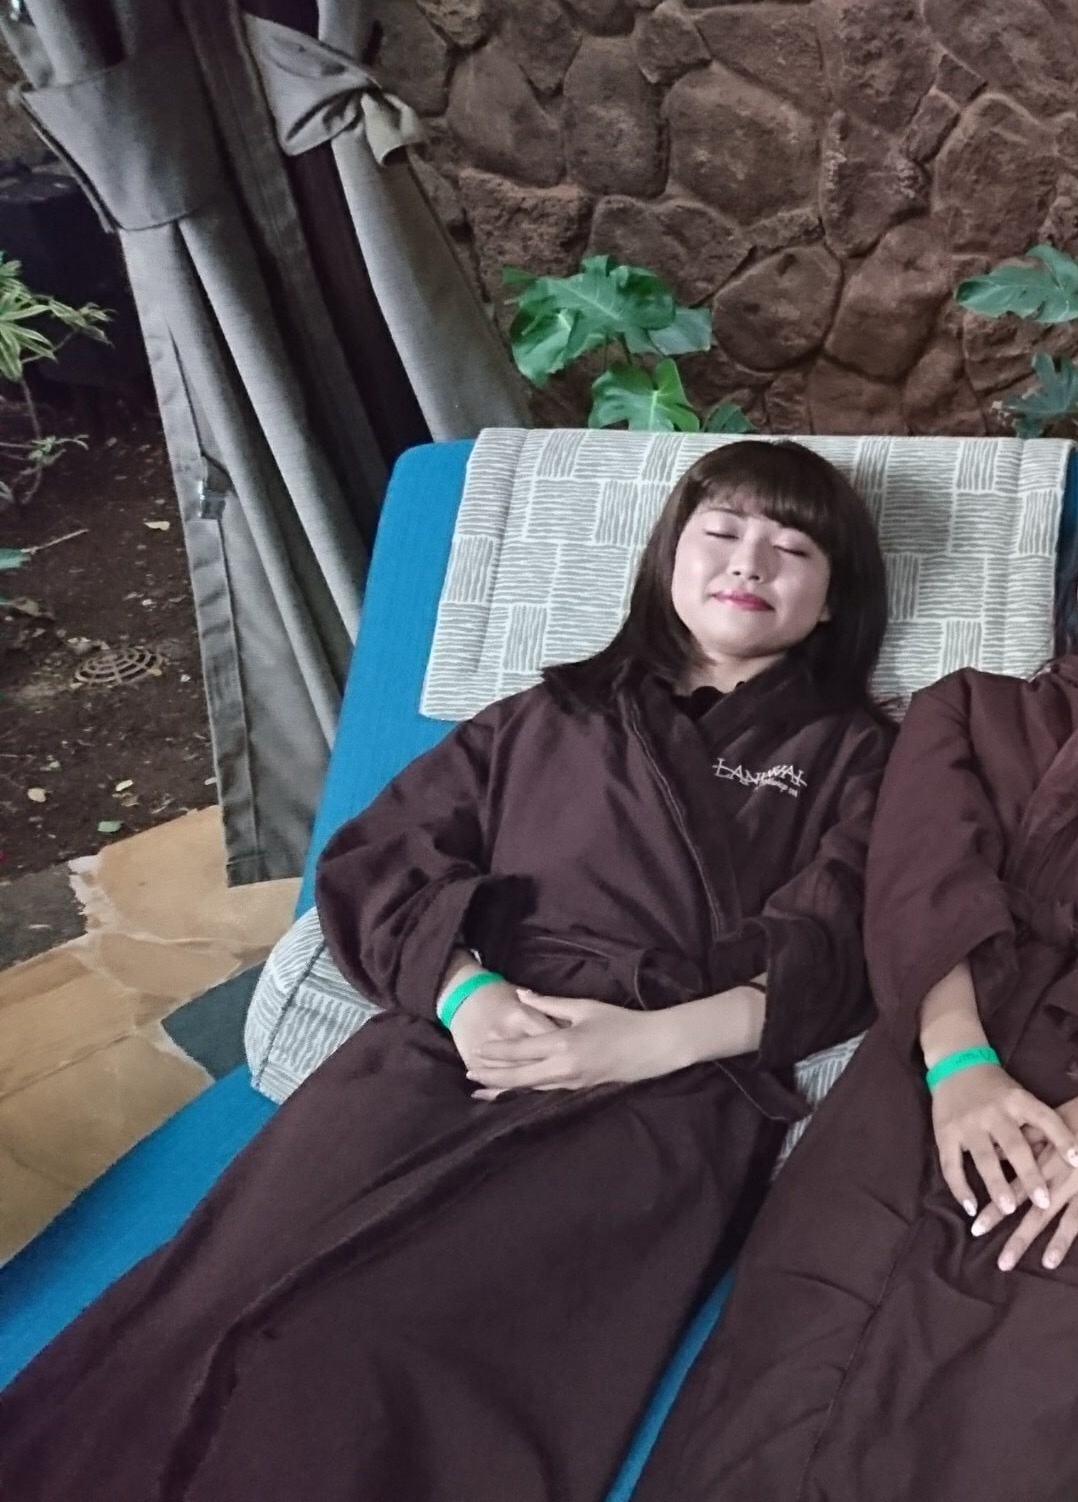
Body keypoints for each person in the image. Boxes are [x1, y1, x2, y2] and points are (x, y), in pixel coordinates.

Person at [0, 441, 895, 1502]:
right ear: (666, 558)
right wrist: (466, 993)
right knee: (223, 1294)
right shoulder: (547, 713)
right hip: (453, 1040)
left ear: (832, 603)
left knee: (380, 1345)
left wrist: (650, 1042)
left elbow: (852, 939)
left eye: (793, 548)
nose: (750, 561)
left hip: (666, 1091)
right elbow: (381, 856)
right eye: (723, 532)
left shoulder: (859, 757)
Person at [635, 470, 1078, 1502]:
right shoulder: (965, 705)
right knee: (815, 1349)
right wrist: (957, 1063)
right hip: (943, 1030)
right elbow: (924, 868)